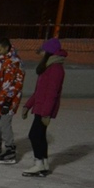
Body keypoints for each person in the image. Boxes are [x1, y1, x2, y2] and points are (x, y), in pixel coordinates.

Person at [21, 38, 66, 177]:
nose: (41, 52)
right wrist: (27, 106)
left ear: (49, 52)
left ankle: (38, 163)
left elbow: (52, 94)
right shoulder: (48, 67)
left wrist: (46, 114)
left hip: (44, 109)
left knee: (34, 135)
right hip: (40, 108)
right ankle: (44, 163)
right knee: (40, 135)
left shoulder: (56, 69)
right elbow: (39, 91)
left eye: (43, 50)